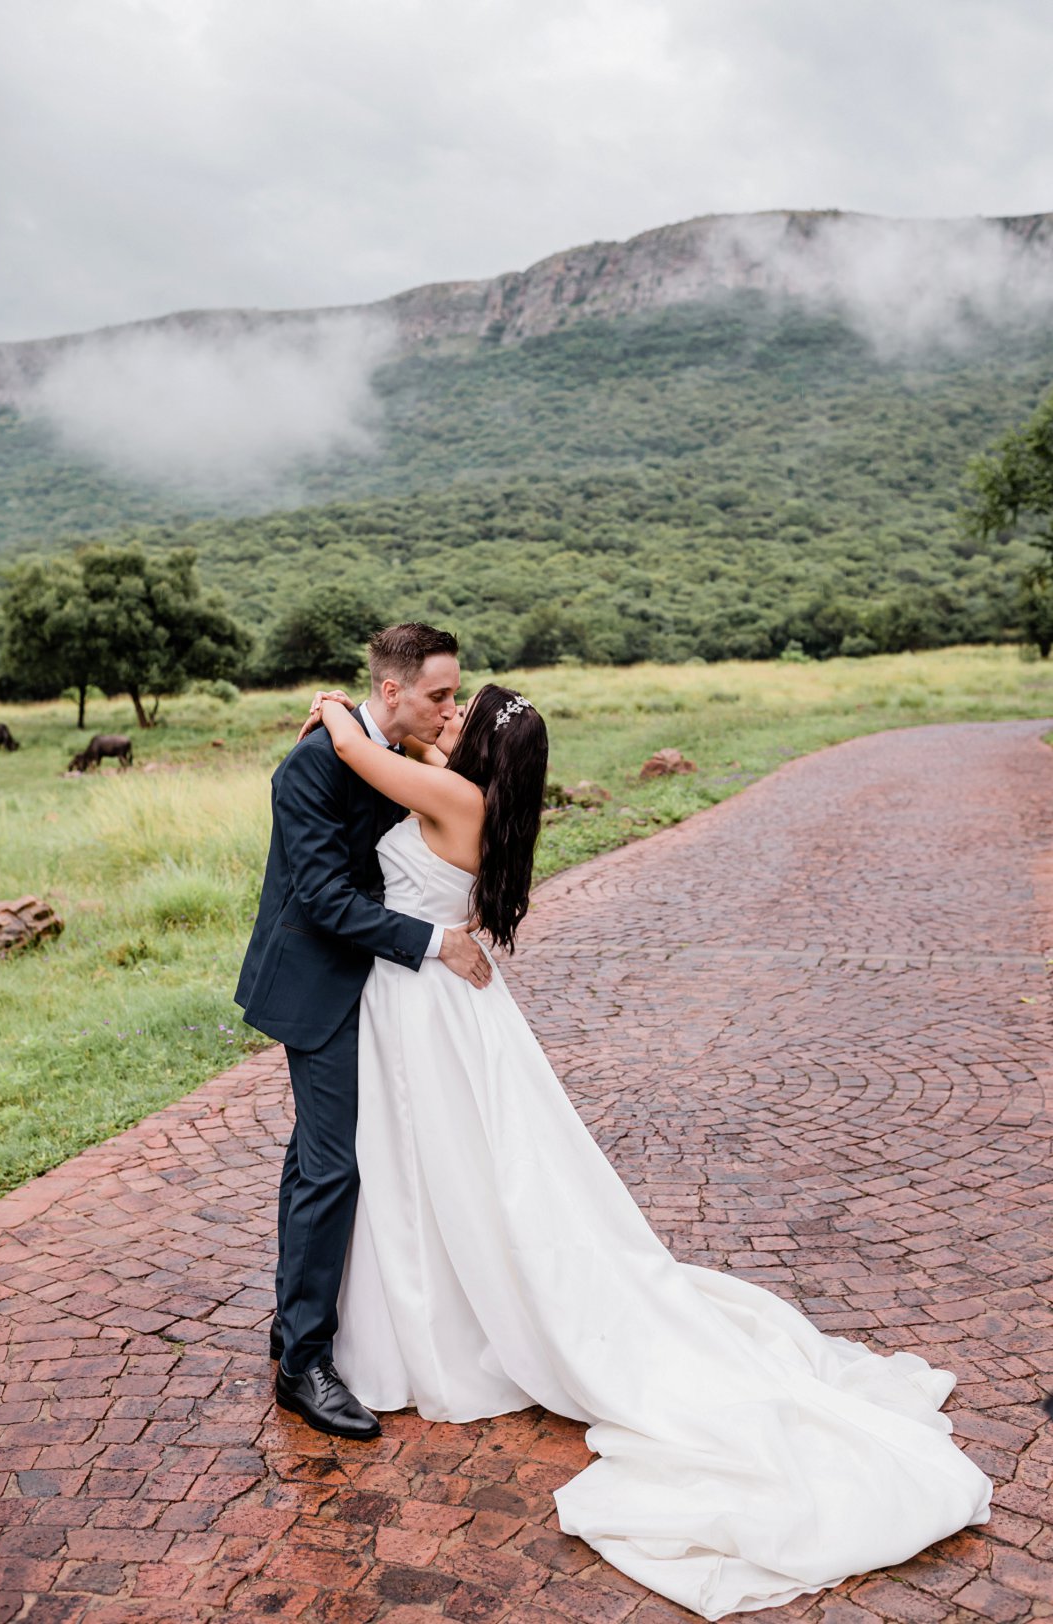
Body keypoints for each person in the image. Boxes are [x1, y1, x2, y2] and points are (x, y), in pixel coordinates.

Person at [291, 675, 993, 1620]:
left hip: (424, 1004)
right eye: (445, 704)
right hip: (435, 1000)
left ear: (480, 748)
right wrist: (409, 731)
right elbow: (406, 750)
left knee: (439, 1163)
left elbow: (355, 748)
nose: (445, 717)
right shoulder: (469, 790)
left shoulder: (451, 794)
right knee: (444, 1165)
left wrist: (334, 706)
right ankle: (425, 1300)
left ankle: (435, 1319)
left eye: (461, 713)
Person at [234, 623, 492, 1440]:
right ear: (391, 690)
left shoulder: (391, 750)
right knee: (332, 1166)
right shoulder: (313, 764)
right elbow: (322, 899)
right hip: (319, 985)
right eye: (439, 695)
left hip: (375, 989)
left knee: (312, 1158)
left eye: (455, 695)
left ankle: (291, 1325)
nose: (449, 708)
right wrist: (435, 942)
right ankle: (304, 1365)